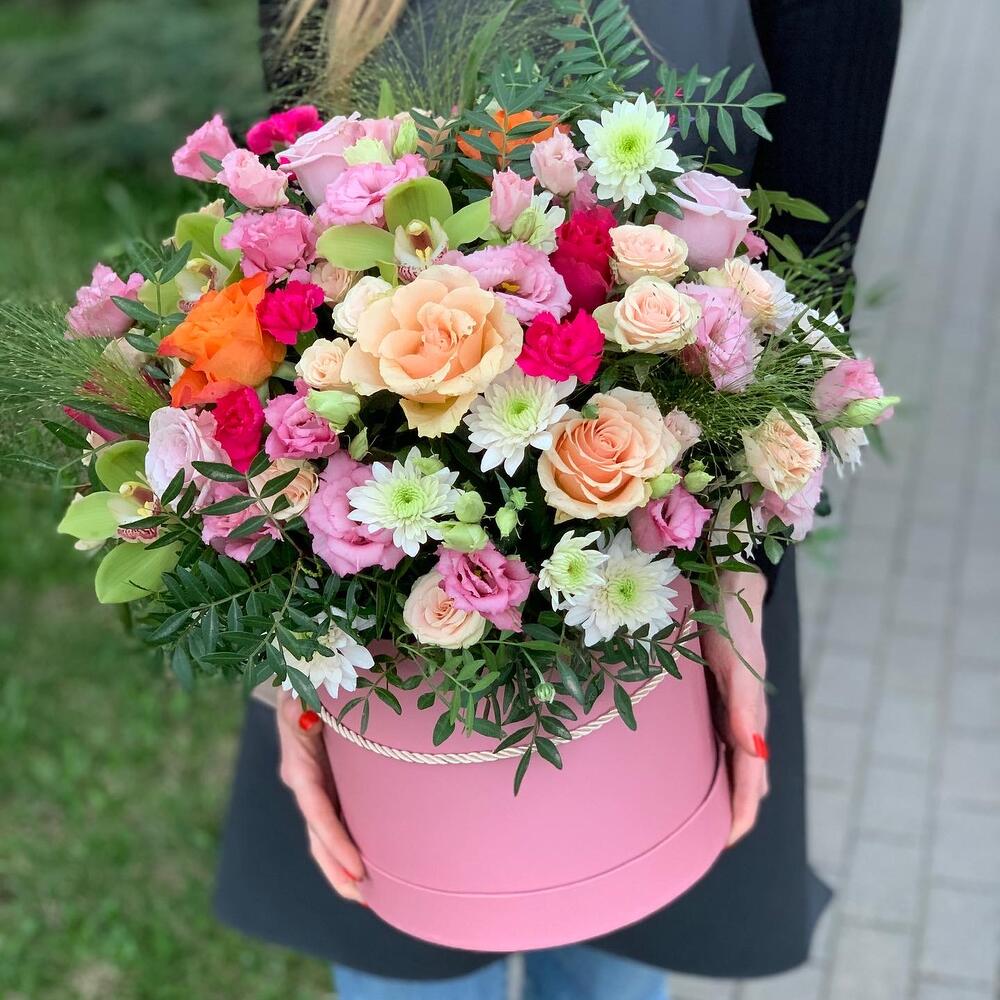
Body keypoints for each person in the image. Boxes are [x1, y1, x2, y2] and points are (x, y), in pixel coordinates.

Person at [214, 0, 902, 995]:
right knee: (403, 955)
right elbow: (295, 262)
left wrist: (743, 573)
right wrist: (302, 648)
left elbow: (804, 291)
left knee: (617, 952)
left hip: (672, 591)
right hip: (382, 618)